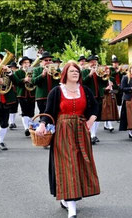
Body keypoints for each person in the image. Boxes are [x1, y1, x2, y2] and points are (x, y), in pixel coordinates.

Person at [35, 61, 100, 218]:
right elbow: (48, 111)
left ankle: (67, 200)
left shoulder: (85, 90)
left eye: (77, 71)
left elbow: (95, 107)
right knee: (67, 165)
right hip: (63, 132)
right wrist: (42, 125)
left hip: (81, 130)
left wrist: (90, 122)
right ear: (65, 73)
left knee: (79, 163)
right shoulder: (57, 91)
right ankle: (72, 207)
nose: (75, 73)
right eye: (72, 71)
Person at [82, 54, 102, 144]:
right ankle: (91, 135)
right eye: (92, 62)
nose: (94, 63)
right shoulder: (85, 71)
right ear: (88, 63)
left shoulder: (99, 71)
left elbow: (104, 82)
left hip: (99, 96)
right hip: (90, 96)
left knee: (98, 116)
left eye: (95, 61)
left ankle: (94, 134)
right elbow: (83, 82)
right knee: (91, 116)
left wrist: (101, 75)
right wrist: (90, 74)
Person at [15, 56, 36, 136]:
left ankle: (30, 126)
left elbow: (36, 81)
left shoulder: (33, 71)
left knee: (31, 112)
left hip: (32, 93)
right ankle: (26, 128)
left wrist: (32, 80)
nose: (27, 64)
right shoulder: (18, 72)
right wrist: (24, 80)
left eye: (28, 63)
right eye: (24, 63)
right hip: (22, 94)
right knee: (24, 111)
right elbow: (16, 82)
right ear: (21, 64)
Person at [8, 62, 19, 129]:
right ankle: (11, 122)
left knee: (15, 107)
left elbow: (18, 81)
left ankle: (13, 121)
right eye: (11, 67)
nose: (12, 69)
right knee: (10, 107)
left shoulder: (16, 73)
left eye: (14, 68)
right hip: (10, 91)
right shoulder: (7, 73)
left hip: (16, 92)